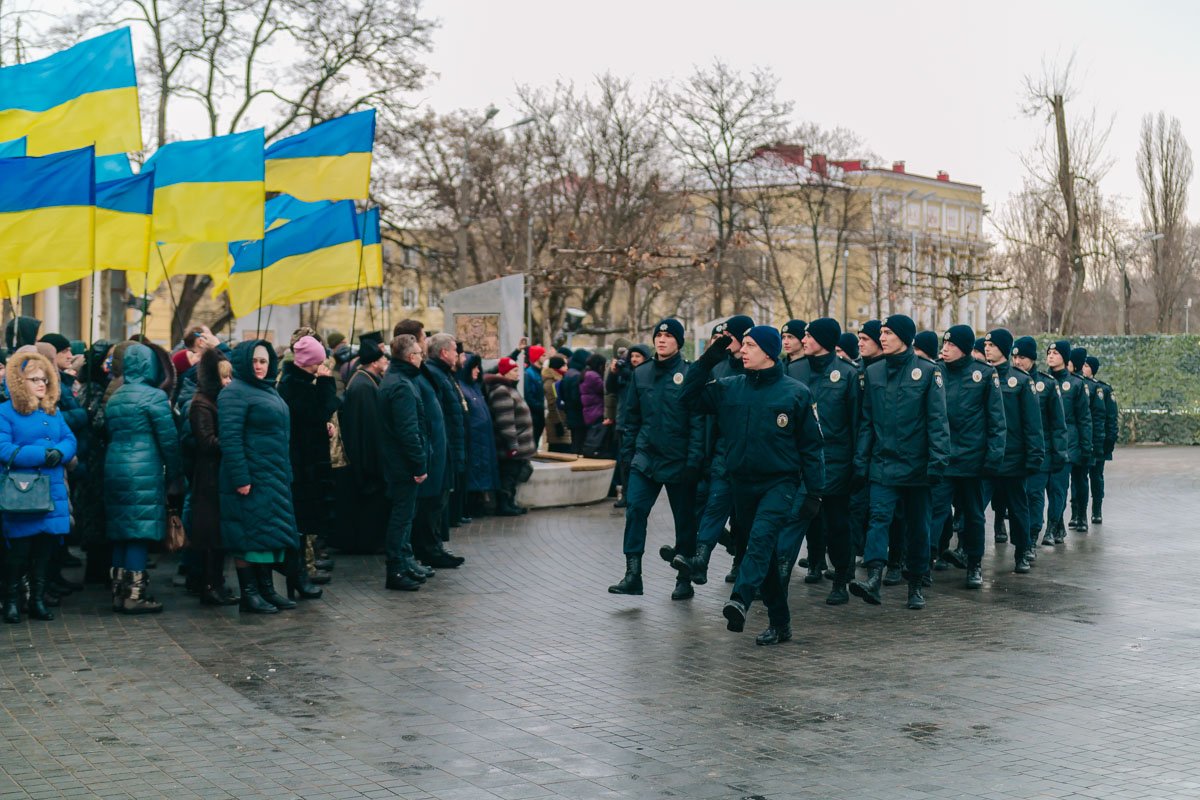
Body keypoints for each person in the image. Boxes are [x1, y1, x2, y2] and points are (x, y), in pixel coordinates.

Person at [681, 325, 823, 643]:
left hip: (780, 483)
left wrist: (815, 492)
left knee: (760, 541)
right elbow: (687, 398)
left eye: (750, 345)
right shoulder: (730, 388)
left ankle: (740, 600)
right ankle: (781, 623)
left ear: (769, 352)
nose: (742, 350)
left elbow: (812, 447)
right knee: (760, 554)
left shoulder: (796, 392)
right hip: (741, 484)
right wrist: (706, 360)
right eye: (742, 345)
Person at [850, 314, 950, 611]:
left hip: (918, 467)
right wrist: (861, 460)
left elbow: (937, 421)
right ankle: (874, 577)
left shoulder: (928, 372)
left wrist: (938, 462)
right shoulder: (874, 372)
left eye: (888, 333)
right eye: (881, 332)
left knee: (918, 527)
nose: (882, 337)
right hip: (883, 464)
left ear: (904, 338)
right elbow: (867, 421)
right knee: (878, 518)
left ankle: (916, 584)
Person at [609, 319, 705, 600]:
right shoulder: (642, 374)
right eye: (658, 335)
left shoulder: (689, 373)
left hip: (679, 460)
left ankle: (684, 578)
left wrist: (694, 461)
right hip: (646, 459)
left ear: (678, 341)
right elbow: (631, 417)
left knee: (684, 520)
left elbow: (698, 422)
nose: (662, 340)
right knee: (635, 511)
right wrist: (628, 455)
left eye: (668, 336)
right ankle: (632, 574)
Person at [219, 341, 301, 614]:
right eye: (254, 360)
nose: (258, 365)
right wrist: (241, 477)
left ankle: (266, 589)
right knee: (247, 536)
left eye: (263, 361)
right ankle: (249, 594)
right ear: (243, 362)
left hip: (272, 477)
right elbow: (230, 440)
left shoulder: (268, 390)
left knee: (265, 535)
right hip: (250, 478)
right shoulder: (234, 394)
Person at [104, 343, 184, 614]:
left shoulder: (115, 397)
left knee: (121, 532)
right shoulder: (154, 397)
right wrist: (175, 474)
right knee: (138, 531)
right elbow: (168, 440)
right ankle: (135, 595)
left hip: (114, 467)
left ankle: (118, 591)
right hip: (144, 468)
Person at [676, 315, 755, 586]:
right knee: (714, 506)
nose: (725, 343)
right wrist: (706, 361)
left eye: (729, 338)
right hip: (723, 451)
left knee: (744, 518)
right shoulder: (718, 367)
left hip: (754, 456)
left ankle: (741, 562)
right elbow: (690, 399)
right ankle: (700, 559)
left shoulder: (756, 367)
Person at [0, 352, 77, 624]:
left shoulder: (52, 410)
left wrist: (62, 452)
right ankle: (11, 601)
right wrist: (44, 454)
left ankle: (38, 600)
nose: (42, 384)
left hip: (52, 489)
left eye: (45, 379)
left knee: (45, 550)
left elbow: (69, 439)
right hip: (22, 491)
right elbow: (4, 449)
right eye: (34, 379)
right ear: (20, 381)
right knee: (18, 552)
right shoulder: (5, 411)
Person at [788, 318, 860, 600]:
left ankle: (841, 579)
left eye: (808, 336)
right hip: (798, 463)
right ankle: (779, 575)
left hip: (835, 462)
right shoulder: (794, 369)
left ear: (825, 340)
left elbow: (857, 423)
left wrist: (857, 464)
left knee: (838, 525)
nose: (803, 340)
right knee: (792, 522)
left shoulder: (847, 374)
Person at [929, 325, 1005, 588]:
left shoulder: (984, 375)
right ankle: (925, 561)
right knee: (935, 512)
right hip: (943, 459)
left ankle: (974, 564)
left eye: (950, 345)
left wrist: (993, 460)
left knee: (973, 516)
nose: (945, 349)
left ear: (963, 348)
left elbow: (997, 421)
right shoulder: (936, 371)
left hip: (973, 462)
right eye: (944, 344)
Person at [277, 335, 338, 595]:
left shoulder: (298, 383)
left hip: (306, 462)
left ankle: (299, 575)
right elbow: (322, 409)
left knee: (303, 524)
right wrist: (326, 383)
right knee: (300, 524)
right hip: (302, 465)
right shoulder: (296, 386)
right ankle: (298, 576)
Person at [983, 329, 1044, 572]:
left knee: (1018, 508)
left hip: (1013, 457)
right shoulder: (982, 376)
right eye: (985, 344)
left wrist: (1034, 456)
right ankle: (969, 554)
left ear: (1004, 349)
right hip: (986, 458)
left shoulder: (1020, 380)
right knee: (976, 508)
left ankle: (1022, 551)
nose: (987, 348)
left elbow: (1032, 423)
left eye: (992, 345)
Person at [377, 334, 430, 591]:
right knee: (401, 516)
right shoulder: (401, 385)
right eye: (420, 353)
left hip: (399, 462)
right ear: (411, 357)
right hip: (402, 465)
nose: (422, 357)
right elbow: (408, 431)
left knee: (405, 515)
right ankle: (395, 569)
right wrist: (419, 464)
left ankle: (403, 563)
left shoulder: (399, 379)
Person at [187, 349, 238, 606]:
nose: (228, 381)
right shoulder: (201, 403)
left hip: (217, 474)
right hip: (208, 476)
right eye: (223, 377)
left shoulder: (216, 401)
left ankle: (215, 582)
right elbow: (206, 442)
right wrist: (233, 442)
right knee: (210, 534)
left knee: (217, 533)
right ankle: (209, 584)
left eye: (230, 377)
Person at [335, 335, 390, 553]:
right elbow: (368, 428)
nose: (386, 363)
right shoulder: (363, 386)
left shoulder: (365, 380)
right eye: (384, 360)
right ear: (375, 362)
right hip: (365, 459)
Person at [1012, 336, 1067, 548]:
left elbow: (1058, 424)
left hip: (1041, 451)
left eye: (1022, 357)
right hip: (1016, 451)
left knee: (1035, 495)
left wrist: (1059, 454)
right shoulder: (1009, 380)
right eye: (1014, 357)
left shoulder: (1047, 384)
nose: (1017, 361)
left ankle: (1032, 538)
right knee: (1020, 498)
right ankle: (1022, 538)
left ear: (1033, 359)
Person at [424, 333, 468, 541]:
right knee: (435, 504)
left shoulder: (444, 374)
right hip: (443, 448)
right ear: (443, 353)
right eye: (454, 350)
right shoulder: (435, 375)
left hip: (448, 447)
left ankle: (436, 545)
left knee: (442, 500)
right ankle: (432, 545)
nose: (457, 354)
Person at [1047, 340, 1091, 544]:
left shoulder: (1076, 383)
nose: (1051, 356)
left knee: (1059, 488)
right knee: (1045, 489)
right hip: (1046, 443)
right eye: (1049, 352)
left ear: (1065, 357)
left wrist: (1086, 448)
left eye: (1056, 353)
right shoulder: (1042, 381)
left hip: (1068, 443)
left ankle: (1052, 526)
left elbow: (1084, 419)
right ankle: (1058, 525)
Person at [487, 357, 537, 516]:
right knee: (508, 477)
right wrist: (513, 445)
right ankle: (505, 505)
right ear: (504, 373)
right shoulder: (502, 391)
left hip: (519, 446)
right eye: (514, 370)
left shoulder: (510, 388)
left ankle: (510, 503)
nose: (518, 374)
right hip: (511, 448)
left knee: (513, 476)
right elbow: (506, 421)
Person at [458, 353, 501, 516]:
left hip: (482, 439)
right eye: (474, 368)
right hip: (474, 440)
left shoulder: (475, 387)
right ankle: (473, 504)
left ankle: (480, 501)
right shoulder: (464, 387)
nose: (477, 371)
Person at [1070, 347, 1105, 533]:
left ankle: (1089, 513)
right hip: (1073, 441)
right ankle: (1075, 514)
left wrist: (1097, 445)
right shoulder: (1065, 383)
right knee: (1074, 480)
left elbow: (1098, 419)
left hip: (1088, 441)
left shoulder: (1093, 387)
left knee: (1088, 478)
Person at [1084, 355, 1117, 523]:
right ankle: (1078, 512)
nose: (1083, 367)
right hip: (1082, 441)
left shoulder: (1103, 389)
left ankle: (1097, 509)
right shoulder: (1076, 385)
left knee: (1096, 476)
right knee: (1079, 478)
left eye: (1087, 365)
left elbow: (1111, 417)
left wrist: (1109, 441)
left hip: (1098, 440)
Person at [560, 349, 590, 454]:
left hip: (571, 414)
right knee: (578, 444)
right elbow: (576, 398)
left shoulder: (569, 373)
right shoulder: (577, 375)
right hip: (578, 416)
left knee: (575, 442)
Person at [579, 353, 608, 457]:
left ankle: (591, 452)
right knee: (596, 436)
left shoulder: (586, 373)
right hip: (596, 411)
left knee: (593, 434)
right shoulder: (593, 376)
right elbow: (605, 389)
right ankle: (591, 453)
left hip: (589, 411)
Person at [543, 356, 572, 454]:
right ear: (557, 366)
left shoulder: (560, 380)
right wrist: (558, 424)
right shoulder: (551, 383)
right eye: (564, 365)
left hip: (562, 420)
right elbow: (552, 405)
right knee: (558, 451)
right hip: (556, 422)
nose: (567, 367)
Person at [523, 345, 547, 451]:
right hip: (534, 415)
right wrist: (541, 407)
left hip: (539, 414)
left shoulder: (539, 372)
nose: (546, 358)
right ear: (537, 357)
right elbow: (529, 396)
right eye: (543, 355)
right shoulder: (529, 374)